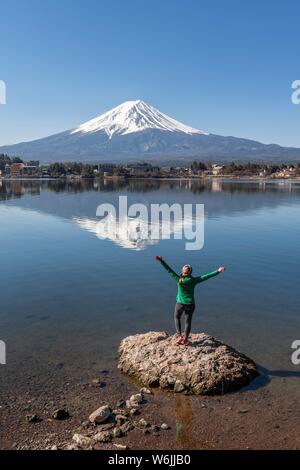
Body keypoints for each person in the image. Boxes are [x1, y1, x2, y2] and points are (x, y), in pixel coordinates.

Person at [156, 256, 226, 347]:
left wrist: (161, 261)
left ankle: (179, 336)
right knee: (188, 322)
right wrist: (218, 271)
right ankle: (185, 340)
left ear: (182, 272)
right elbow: (206, 276)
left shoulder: (178, 279)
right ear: (190, 272)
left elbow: (169, 270)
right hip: (190, 304)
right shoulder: (193, 280)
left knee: (177, 318)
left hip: (180, 303)